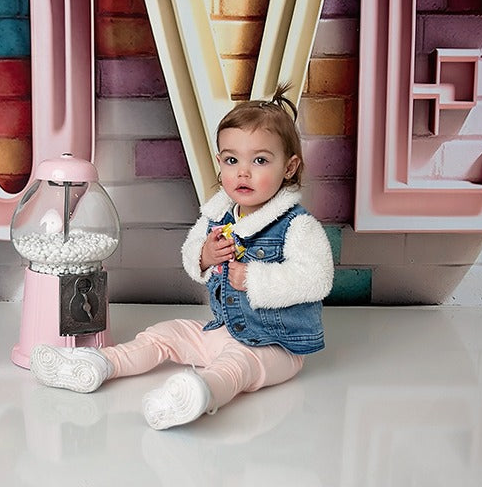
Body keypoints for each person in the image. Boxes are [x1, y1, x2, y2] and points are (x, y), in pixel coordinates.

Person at [30, 84, 334, 430]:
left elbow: (317, 278)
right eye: (232, 160)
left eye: (260, 160)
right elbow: (191, 255)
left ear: (290, 167)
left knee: (238, 365)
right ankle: (97, 363)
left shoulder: (298, 226)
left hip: (277, 347)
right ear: (219, 162)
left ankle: (199, 393)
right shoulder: (218, 216)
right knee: (166, 333)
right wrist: (204, 255)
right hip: (222, 331)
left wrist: (254, 279)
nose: (243, 172)